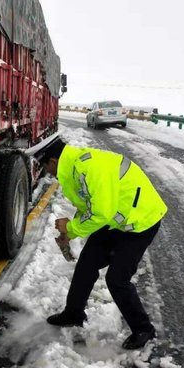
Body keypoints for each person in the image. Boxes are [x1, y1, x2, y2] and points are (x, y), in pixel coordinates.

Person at [37, 137, 167, 349]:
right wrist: (70, 232)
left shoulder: (88, 168)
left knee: (117, 279)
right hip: (115, 219)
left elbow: (99, 212)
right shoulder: (73, 167)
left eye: (45, 167)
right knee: (87, 263)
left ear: (53, 161)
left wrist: (70, 228)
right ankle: (73, 313)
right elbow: (90, 203)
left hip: (140, 221)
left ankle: (144, 329)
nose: (46, 172)